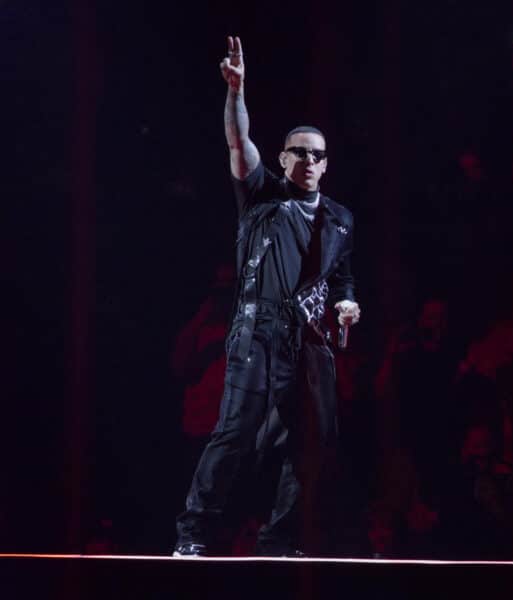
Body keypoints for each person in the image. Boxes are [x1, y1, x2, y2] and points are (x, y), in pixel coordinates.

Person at [173, 36, 361, 557]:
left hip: (308, 340)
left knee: (311, 445)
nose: (308, 160)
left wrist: (348, 302)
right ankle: (193, 536)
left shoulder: (340, 219)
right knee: (235, 433)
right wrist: (236, 91)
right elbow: (239, 142)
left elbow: (340, 277)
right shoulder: (262, 195)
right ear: (284, 157)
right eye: (299, 151)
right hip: (258, 329)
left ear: (326, 164)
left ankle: (282, 541)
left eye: (317, 155)